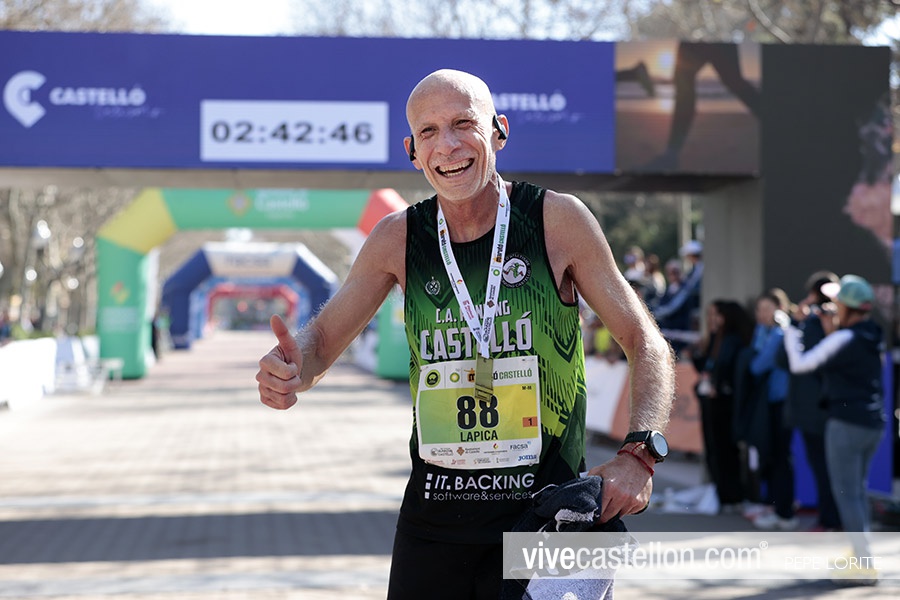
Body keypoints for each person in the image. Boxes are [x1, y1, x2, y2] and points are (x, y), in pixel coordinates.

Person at [256, 69, 675, 599]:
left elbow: (644, 340)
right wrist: (292, 366)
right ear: (412, 152)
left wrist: (640, 454)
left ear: (498, 131)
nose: (447, 145)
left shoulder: (556, 221)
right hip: (436, 521)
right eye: (428, 132)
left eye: (462, 124)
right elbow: (320, 342)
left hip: (550, 514)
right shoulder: (397, 237)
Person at [780, 274, 885, 585]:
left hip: (846, 424)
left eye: (838, 304)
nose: (832, 308)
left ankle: (863, 563)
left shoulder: (843, 338)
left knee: (848, 496)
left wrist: (792, 328)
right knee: (857, 493)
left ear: (848, 307)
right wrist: (830, 332)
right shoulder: (871, 334)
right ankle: (859, 554)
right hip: (871, 423)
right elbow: (845, 360)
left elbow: (800, 364)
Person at [775, 271, 842, 532]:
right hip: (828, 408)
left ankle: (831, 520)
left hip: (816, 410)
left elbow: (784, 360)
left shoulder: (813, 326)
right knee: (830, 466)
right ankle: (833, 518)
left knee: (825, 466)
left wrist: (796, 322)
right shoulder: (837, 325)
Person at [691, 299, 754, 513]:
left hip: (723, 404)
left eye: (716, 315)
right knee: (714, 450)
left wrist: (717, 385)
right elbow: (706, 367)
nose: (712, 319)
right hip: (711, 401)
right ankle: (722, 494)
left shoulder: (732, 341)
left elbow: (726, 370)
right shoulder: (715, 339)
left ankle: (730, 496)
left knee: (724, 450)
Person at [746, 288, 797, 530]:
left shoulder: (781, 333)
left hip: (784, 402)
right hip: (771, 402)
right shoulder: (766, 332)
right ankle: (773, 505)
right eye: (759, 309)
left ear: (781, 310)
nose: (762, 314)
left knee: (780, 457)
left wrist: (770, 333)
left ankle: (785, 512)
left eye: (767, 309)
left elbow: (757, 365)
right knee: (772, 455)